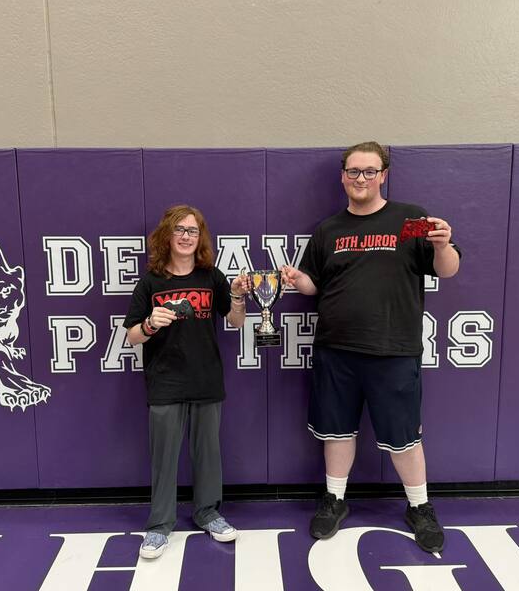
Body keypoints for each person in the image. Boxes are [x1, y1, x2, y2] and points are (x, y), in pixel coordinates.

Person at [281, 141, 460, 553]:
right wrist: (296, 279)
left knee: (404, 437)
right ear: (343, 176)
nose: (360, 179)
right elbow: (314, 283)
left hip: (394, 350)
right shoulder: (329, 229)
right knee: (336, 430)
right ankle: (335, 500)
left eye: (369, 171)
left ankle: (419, 507)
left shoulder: (410, 219)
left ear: (383, 175)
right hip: (336, 349)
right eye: (353, 171)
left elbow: (446, 270)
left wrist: (442, 244)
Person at [124, 204, 250, 559]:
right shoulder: (150, 282)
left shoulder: (211, 276)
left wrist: (238, 294)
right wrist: (150, 323)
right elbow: (133, 335)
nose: (185, 236)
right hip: (165, 381)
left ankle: (208, 512)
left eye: (192, 231)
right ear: (167, 235)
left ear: (200, 238)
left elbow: (237, 321)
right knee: (164, 457)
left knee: (208, 453)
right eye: (179, 229)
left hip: (206, 378)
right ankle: (159, 526)